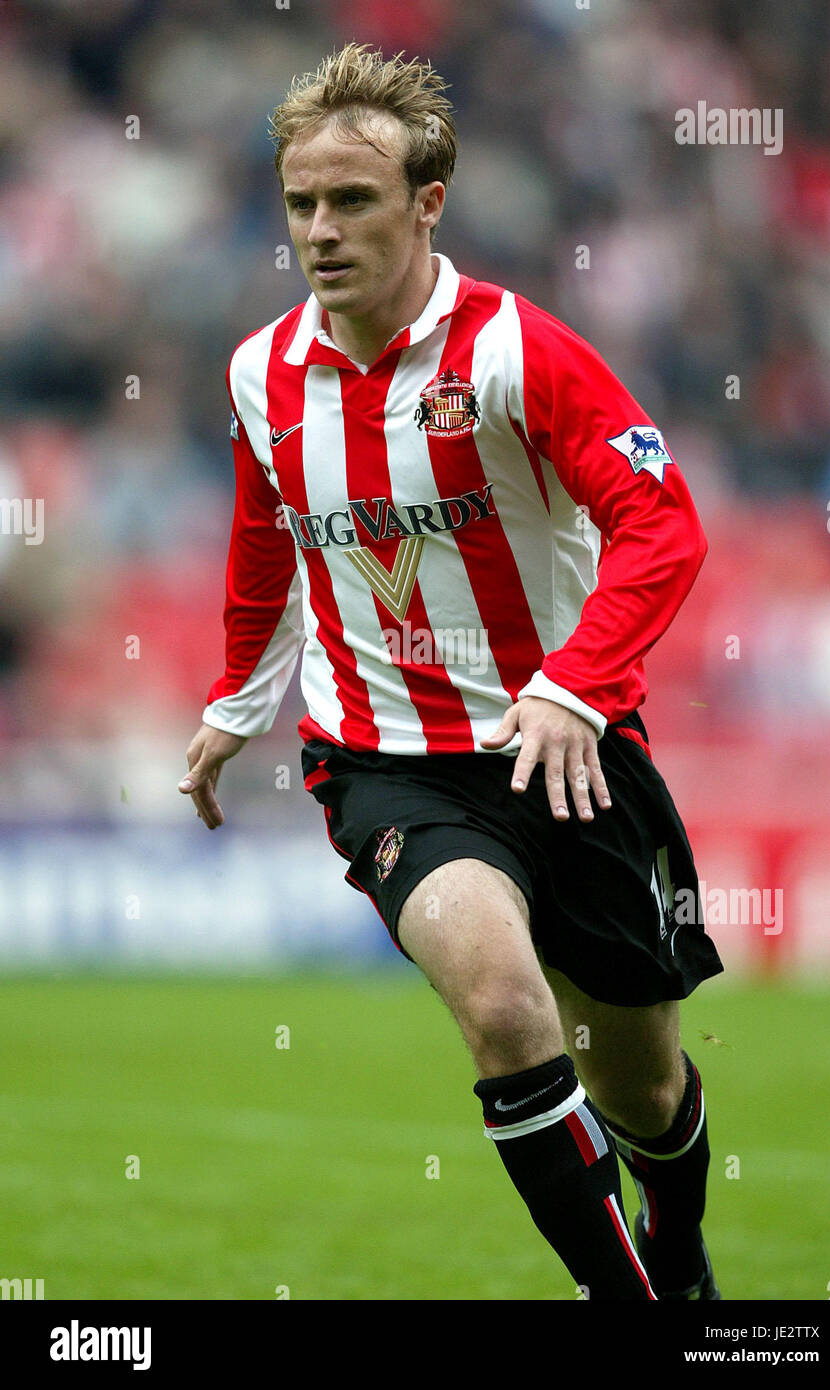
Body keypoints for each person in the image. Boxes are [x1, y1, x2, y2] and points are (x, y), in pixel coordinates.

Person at [178, 42, 724, 1301]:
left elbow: (663, 522)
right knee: (500, 1003)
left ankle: (677, 1240)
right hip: (385, 768)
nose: (320, 229)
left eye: (353, 200)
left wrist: (573, 682)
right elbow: (265, 533)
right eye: (301, 202)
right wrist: (233, 705)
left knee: (641, 1085)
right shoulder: (258, 372)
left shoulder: (517, 354)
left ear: (428, 203)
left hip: (567, 757)